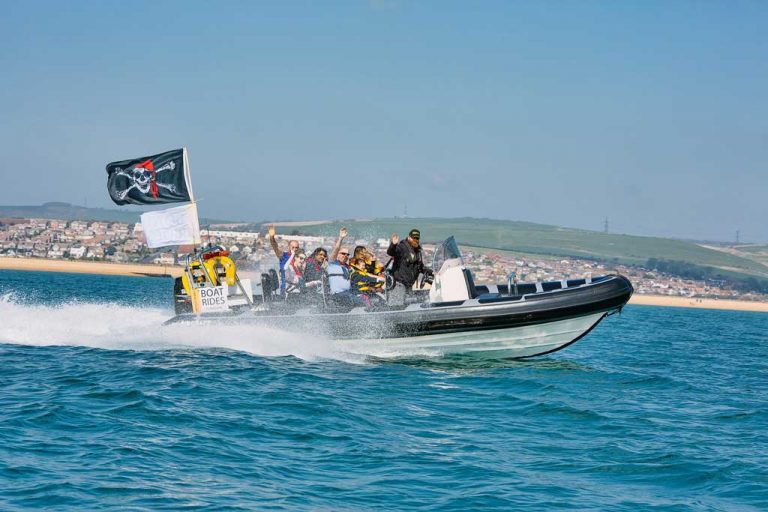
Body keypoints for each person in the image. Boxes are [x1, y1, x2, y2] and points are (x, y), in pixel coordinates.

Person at [386, 228, 425, 306]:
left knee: (409, 306)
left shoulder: (417, 251)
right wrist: (393, 245)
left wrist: (429, 272)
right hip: (399, 284)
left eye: (417, 238)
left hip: (408, 285)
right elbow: (391, 252)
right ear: (409, 237)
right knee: (396, 307)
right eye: (414, 238)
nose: (416, 240)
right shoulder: (402, 247)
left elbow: (419, 266)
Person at [268, 224, 300, 296]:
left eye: (296, 248)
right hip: (286, 287)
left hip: (299, 286)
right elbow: (275, 246)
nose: (295, 249)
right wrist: (272, 237)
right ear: (289, 247)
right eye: (293, 247)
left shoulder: (301, 258)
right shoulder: (284, 255)